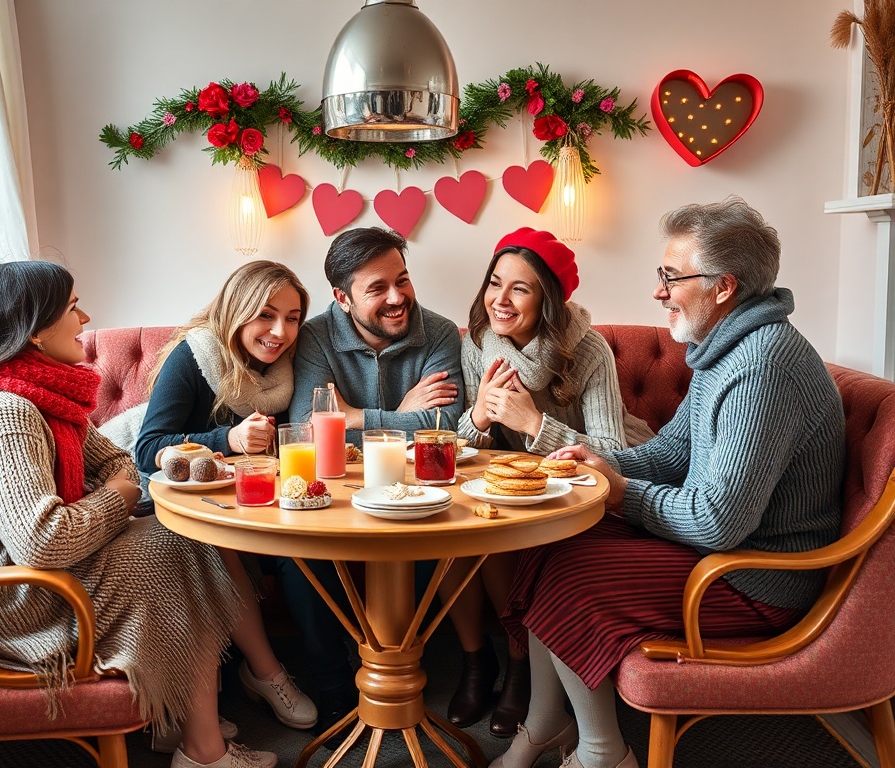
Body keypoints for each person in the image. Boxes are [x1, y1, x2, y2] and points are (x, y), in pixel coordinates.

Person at [491, 197, 846, 768]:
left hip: (756, 578)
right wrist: (600, 462)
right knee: (547, 544)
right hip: (721, 552)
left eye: (671, 277)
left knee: (571, 578)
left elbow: (719, 522)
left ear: (723, 287)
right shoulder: (724, 346)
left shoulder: (762, 365)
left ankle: (603, 754)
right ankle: (546, 725)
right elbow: (672, 450)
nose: (658, 291)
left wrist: (620, 493)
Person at [0, 261, 277, 768]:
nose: (85, 319)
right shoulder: (5, 414)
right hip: (9, 601)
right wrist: (117, 497)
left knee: (184, 537)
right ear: (36, 331)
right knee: (173, 548)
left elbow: (118, 461)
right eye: (72, 307)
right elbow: (42, 541)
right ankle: (204, 752)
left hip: (34, 574)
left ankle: (180, 720)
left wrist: (116, 487)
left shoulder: (41, 396)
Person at [441, 228, 654, 737]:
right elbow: (466, 447)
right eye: (495, 283)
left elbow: (614, 454)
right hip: (509, 483)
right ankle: (477, 662)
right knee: (452, 539)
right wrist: (479, 417)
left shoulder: (588, 349)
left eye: (520, 288)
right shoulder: (478, 344)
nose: (501, 299)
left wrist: (535, 424)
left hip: (584, 486)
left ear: (548, 300)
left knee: (505, 544)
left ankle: (521, 670)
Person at [134, 261, 350, 743]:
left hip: (260, 502)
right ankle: (265, 676)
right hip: (188, 505)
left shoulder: (286, 366)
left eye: (292, 318)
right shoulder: (195, 356)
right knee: (229, 552)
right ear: (236, 310)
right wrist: (226, 439)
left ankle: (335, 688)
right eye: (265, 315)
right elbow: (147, 449)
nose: (280, 332)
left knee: (308, 556)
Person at [290, 226, 465, 445]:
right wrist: (401, 415)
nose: (396, 298)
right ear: (343, 299)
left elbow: (445, 426)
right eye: (377, 288)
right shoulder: (316, 337)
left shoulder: (440, 333)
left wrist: (356, 417)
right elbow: (307, 433)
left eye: (402, 281)